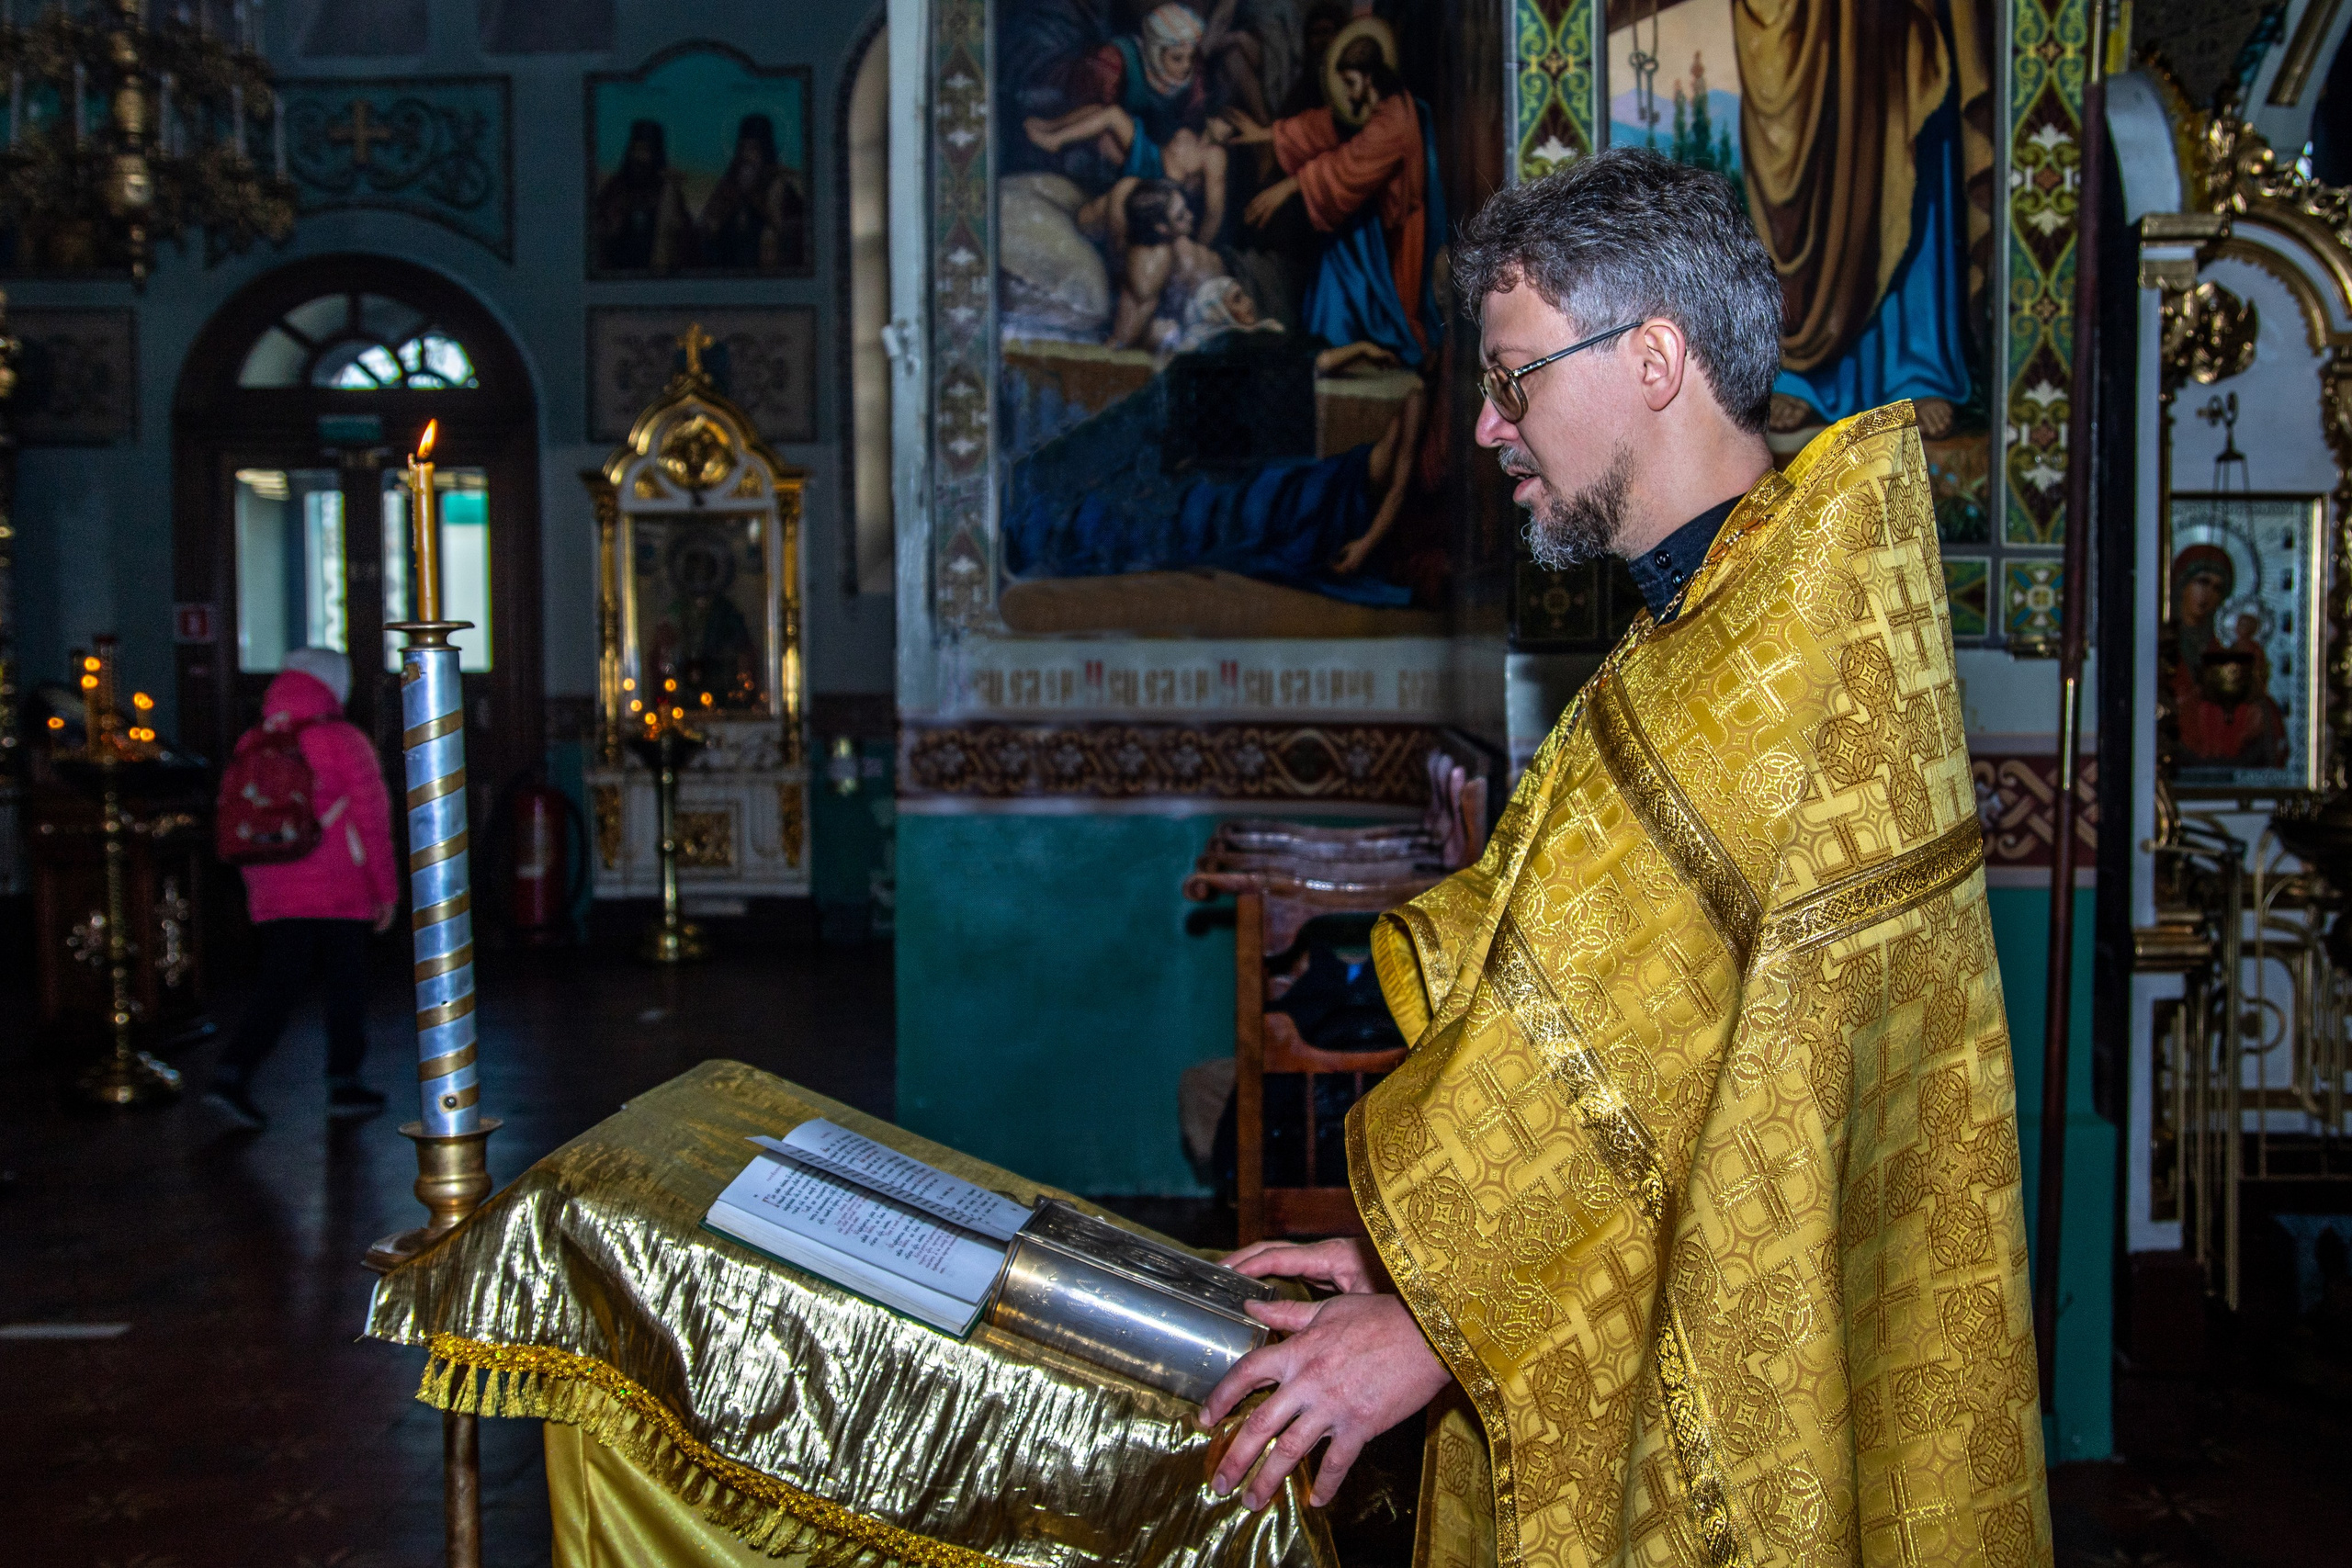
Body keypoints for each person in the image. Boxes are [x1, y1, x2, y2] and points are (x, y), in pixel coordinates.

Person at [1196, 148, 2052, 1567]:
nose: (1485, 425)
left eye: (1515, 376)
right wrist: (1415, 1262)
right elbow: (1603, 1050)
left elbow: (1697, 1101)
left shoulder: (1786, 654)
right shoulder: (1706, 628)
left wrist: (1426, 1322)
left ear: (1653, 358)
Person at [204, 648, 397, 1131]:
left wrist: (258, 891)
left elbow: (238, 820)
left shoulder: (254, 741)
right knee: (346, 986)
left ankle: (232, 1073)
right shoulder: (345, 740)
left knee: (277, 986)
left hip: (275, 887)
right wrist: (387, 891)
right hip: (340, 887)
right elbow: (374, 822)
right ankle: (345, 1083)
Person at [1228, 18, 1445, 367]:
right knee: (1335, 255)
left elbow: (1350, 164)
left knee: (1339, 258)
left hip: (1391, 237)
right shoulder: (1374, 106)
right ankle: (1332, 345)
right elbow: (1324, 126)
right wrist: (1264, 134)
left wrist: (1288, 186)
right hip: (1367, 228)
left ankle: (1348, 343)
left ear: (1369, 76)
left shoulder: (1395, 120)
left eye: (1350, 82)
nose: (1346, 91)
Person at [698, 113, 808, 272]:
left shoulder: (779, 186)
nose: (747, 156)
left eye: (753, 149)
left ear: (764, 151)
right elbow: (707, 223)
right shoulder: (728, 185)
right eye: (743, 148)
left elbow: (796, 229)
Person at [594, 118, 693, 272]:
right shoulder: (616, 187)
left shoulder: (666, 189)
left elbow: (684, 234)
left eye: (646, 151)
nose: (639, 156)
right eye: (636, 149)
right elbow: (599, 226)